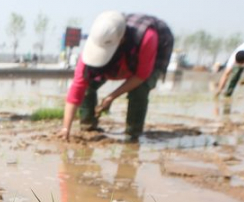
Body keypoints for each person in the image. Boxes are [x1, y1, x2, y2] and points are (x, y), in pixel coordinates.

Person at [58, 11, 173, 141]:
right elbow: (78, 87)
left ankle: (133, 134)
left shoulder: (147, 37)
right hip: (121, 57)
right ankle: (88, 126)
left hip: (152, 51)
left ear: (122, 39)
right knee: (88, 84)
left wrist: (111, 97)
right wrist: (65, 128)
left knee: (140, 90)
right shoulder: (95, 42)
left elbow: (141, 76)